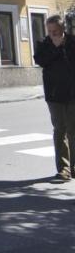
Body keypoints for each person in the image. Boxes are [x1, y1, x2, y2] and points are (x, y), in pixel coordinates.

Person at [34, 14, 75, 182]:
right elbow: (41, 60)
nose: (53, 35)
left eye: (56, 31)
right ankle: (63, 169)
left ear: (62, 29)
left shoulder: (72, 42)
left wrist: (63, 48)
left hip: (73, 93)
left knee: (73, 130)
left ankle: (74, 166)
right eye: (50, 32)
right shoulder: (44, 45)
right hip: (54, 95)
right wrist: (56, 48)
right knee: (60, 130)